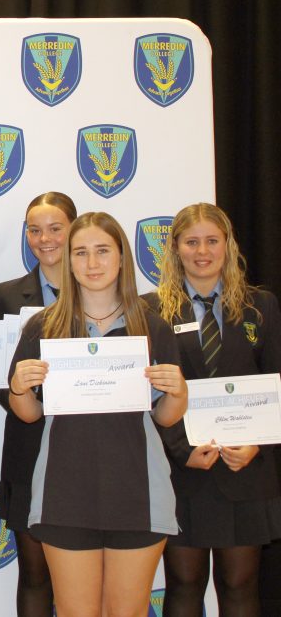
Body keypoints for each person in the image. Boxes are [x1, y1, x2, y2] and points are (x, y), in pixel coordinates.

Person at [8, 212, 188, 616]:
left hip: (139, 491)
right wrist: (19, 387)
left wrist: (179, 392)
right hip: (64, 492)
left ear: (122, 257)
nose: (92, 263)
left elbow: (166, 418)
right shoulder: (44, 327)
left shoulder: (153, 327)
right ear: (68, 261)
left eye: (102, 251)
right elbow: (29, 414)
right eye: (81, 252)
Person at [145, 203, 281, 616]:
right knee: (184, 585)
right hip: (183, 470)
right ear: (175, 248)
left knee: (240, 585)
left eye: (211, 241)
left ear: (227, 244)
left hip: (246, 467)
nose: (202, 251)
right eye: (191, 242)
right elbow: (146, 393)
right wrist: (181, 450)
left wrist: (257, 443)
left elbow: (275, 381)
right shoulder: (152, 310)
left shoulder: (261, 305)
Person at [0, 192, 77, 616]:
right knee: (35, 575)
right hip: (30, 444)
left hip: (90, 448)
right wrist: (31, 402)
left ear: (74, 229)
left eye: (55, 228)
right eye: (35, 230)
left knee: (85, 580)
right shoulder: (6, 296)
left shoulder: (103, 293)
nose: (45, 239)